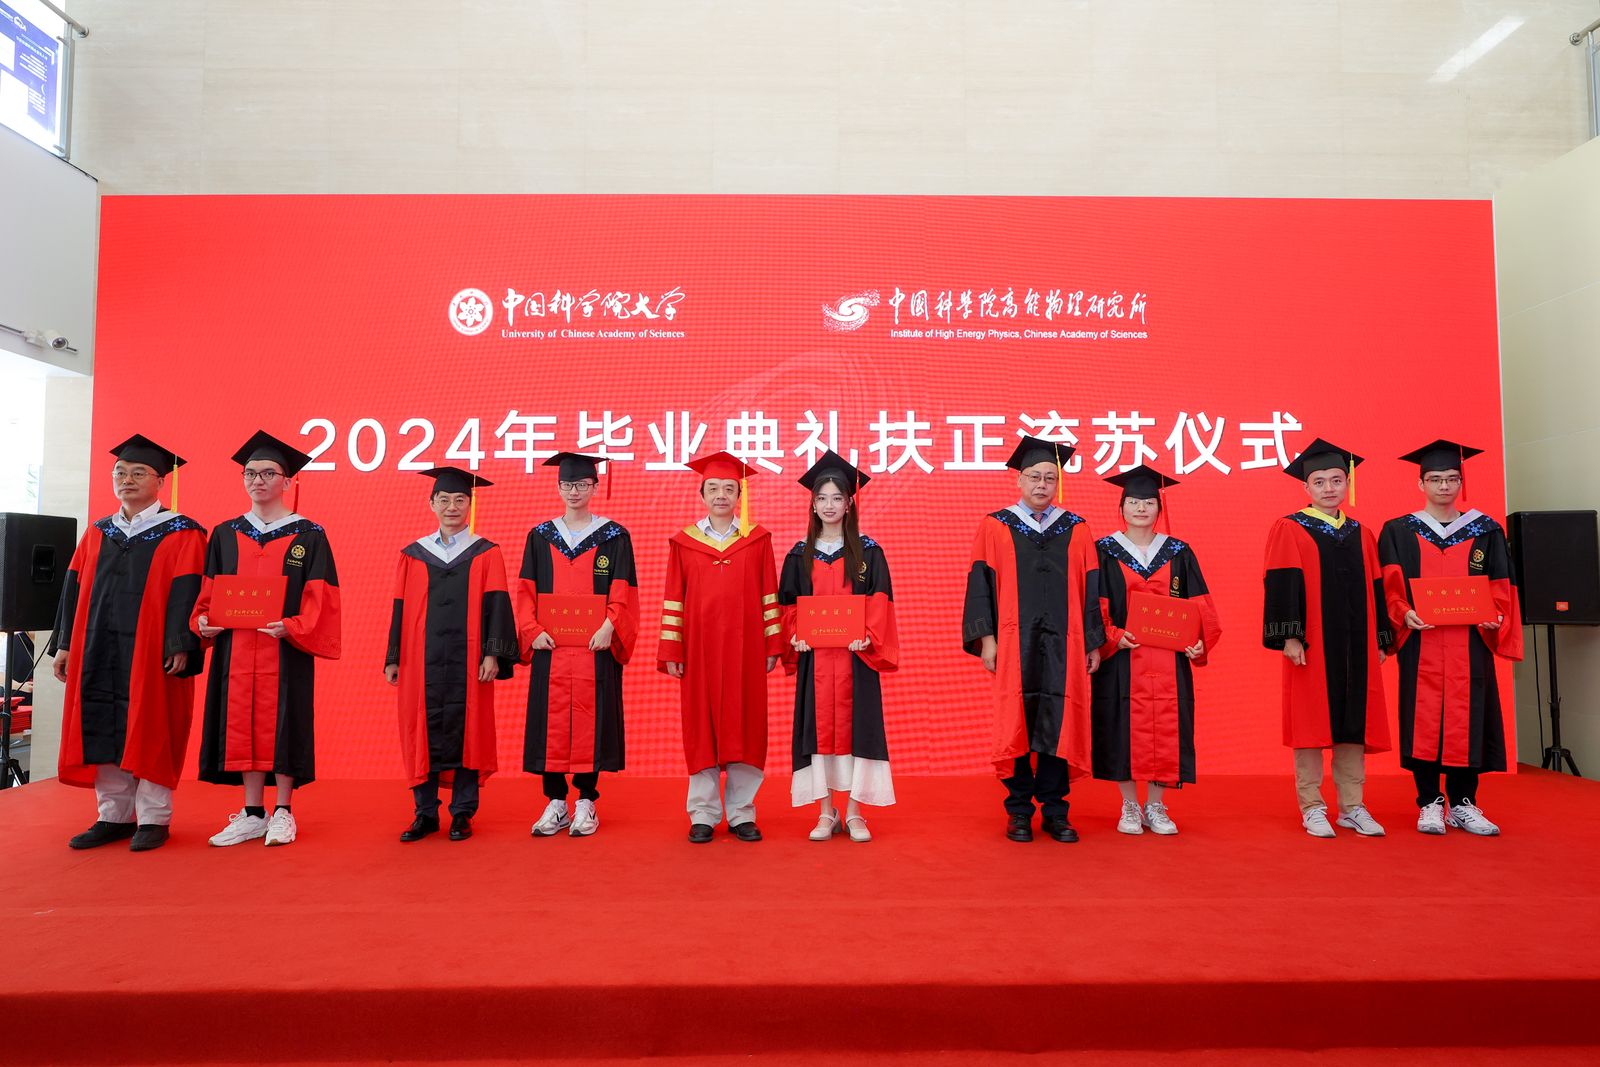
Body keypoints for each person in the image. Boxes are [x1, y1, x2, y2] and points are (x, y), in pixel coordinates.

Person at [48, 434, 206, 852]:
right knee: (102, 721)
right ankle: (114, 815)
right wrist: (65, 644)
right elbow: (73, 591)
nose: (127, 479)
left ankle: (153, 818)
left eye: (138, 473)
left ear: (160, 481)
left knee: (151, 725)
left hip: (152, 650)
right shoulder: (99, 531)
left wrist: (181, 643)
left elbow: (189, 592)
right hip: (98, 646)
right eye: (120, 472)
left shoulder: (184, 533)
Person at [193, 431, 341, 848]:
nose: (258, 480)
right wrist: (202, 621)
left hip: (284, 647)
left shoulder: (309, 534)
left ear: (287, 481)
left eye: (268, 473)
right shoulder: (225, 533)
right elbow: (208, 592)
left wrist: (294, 626)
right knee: (241, 721)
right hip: (236, 648)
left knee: (284, 720)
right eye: (250, 473)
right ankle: (253, 812)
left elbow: (321, 595)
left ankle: (284, 810)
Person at [963, 435, 1103, 843]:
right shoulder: (995, 526)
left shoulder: (1077, 529)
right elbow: (980, 586)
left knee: (1061, 719)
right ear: (1019, 480)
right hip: (1014, 642)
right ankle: (1020, 811)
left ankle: (1056, 812)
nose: (1042, 484)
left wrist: (1093, 641)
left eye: (1050, 478)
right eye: (1034, 477)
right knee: (1018, 720)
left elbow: (1091, 589)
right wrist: (987, 640)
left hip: (1066, 643)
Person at [1379, 439, 1522, 836]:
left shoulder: (1485, 530)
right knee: (1422, 718)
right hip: (1421, 641)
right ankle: (1429, 802)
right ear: (1421, 484)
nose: (1444, 485)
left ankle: (1463, 803)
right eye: (1436, 478)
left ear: (1461, 482)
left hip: (1469, 642)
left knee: (1468, 715)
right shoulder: (1398, 531)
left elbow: (1500, 583)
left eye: (1452, 478)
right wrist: (1402, 613)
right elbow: (1389, 584)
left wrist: (1495, 614)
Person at [1263, 437, 1394, 839]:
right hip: (1313, 643)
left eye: (1336, 480)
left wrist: (1380, 638)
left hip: (1356, 643)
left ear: (1347, 483)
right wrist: (1290, 636)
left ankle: (1352, 806)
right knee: (1310, 721)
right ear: (1306, 487)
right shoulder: (1290, 527)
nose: (1328, 488)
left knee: (1353, 720)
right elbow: (1281, 582)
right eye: (1319, 482)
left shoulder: (1361, 533)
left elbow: (1376, 586)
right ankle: (1312, 806)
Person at [385, 467, 518, 843]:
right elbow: (399, 607)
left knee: (469, 729)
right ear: (431, 503)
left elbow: (497, 604)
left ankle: (462, 813)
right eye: (444, 500)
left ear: (470, 505)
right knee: (420, 729)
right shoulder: (413, 555)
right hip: (419, 660)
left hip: (469, 660)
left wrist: (493, 654)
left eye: (460, 500)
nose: (452, 507)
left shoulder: (486, 553)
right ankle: (424, 813)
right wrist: (393, 656)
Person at [657, 451, 782, 844]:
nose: (721, 495)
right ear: (702, 495)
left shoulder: (757, 540)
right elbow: (673, 599)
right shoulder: (685, 543)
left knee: (746, 726)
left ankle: (743, 812)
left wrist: (772, 643)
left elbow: (769, 595)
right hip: (699, 651)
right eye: (713, 488)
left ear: (739, 496)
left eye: (729, 488)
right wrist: (673, 650)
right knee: (701, 728)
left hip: (747, 650)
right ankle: (704, 814)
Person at [1090, 466, 1222, 836]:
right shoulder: (1104, 551)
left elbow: (1200, 604)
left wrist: (1199, 641)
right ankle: (1130, 805)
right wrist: (1112, 636)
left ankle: (1156, 805)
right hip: (1123, 657)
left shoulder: (1178, 551)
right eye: (1133, 502)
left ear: (1158, 508)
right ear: (1121, 507)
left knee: (1168, 726)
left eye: (1148, 502)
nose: (1141, 508)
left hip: (1169, 658)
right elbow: (1094, 604)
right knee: (1121, 726)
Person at [779, 451, 899, 842]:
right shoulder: (798, 554)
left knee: (859, 730)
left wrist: (869, 636)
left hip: (855, 658)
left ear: (849, 504)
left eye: (836, 498)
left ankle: (856, 812)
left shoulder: (869, 552)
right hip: (815, 660)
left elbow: (880, 600)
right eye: (821, 498)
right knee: (817, 733)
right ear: (812, 505)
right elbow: (788, 605)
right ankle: (826, 811)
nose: (829, 505)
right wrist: (794, 634)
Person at [518, 452, 637, 838]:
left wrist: (610, 626)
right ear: (558, 487)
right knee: (549, 719)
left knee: (593, 717)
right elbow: (525, 590)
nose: (574, 491)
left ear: (595, 487)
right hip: (551, 647)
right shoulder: (540, 537)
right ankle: (556, 802)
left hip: (594, 646)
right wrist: (531, 629)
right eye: (568, 484)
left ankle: (586, 801)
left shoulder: (614, 537)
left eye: (582, 484)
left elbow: (624, 589)